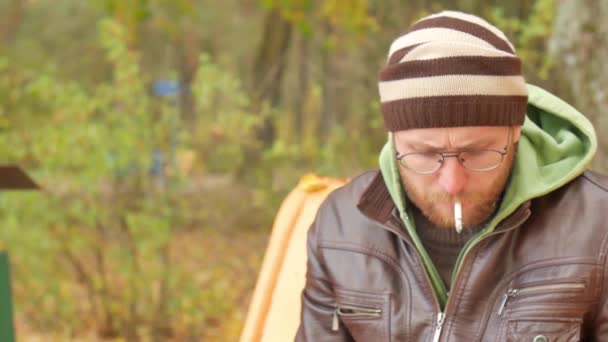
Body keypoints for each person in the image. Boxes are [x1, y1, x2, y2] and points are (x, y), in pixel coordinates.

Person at [295, 10, 608, 341]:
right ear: (394, 139)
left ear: (515, 130)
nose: (452, 183)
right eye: (425, 154)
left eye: (477, 152)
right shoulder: (340, 227)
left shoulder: (598, 223)